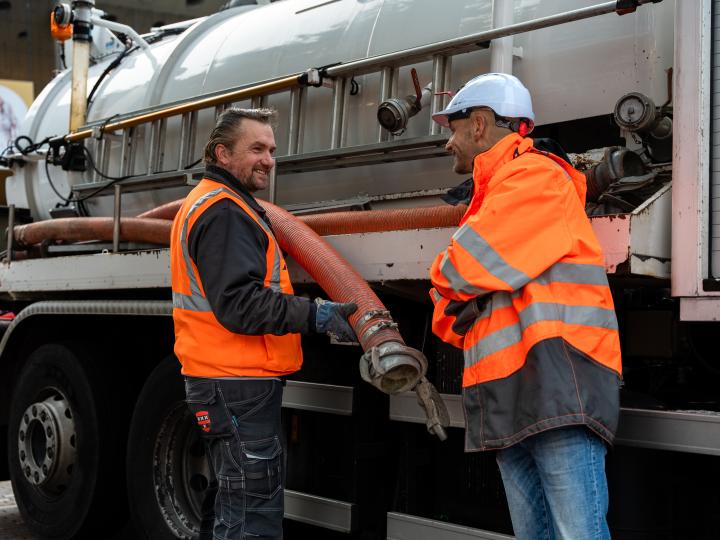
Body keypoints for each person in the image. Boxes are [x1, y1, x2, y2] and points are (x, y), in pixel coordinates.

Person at [428, 73, 622, 540]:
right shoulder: (497, 193)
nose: (447, 144)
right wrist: (454, 286)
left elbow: (456, 270)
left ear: (479, 124)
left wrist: (450, 278)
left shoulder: (535, 176)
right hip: (517, 390)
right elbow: (446, 311)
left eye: (451, 129)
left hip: (556, 381)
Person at [170, 107, 357, 539]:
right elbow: (241, 304)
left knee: (230, 507)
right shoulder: (225, 211)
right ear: (222, 153)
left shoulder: (213, 203)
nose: (268, 160)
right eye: (256, 148)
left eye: (271, 150)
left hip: (224, 383)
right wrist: (319, 314)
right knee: (251, 518)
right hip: (238, 385)